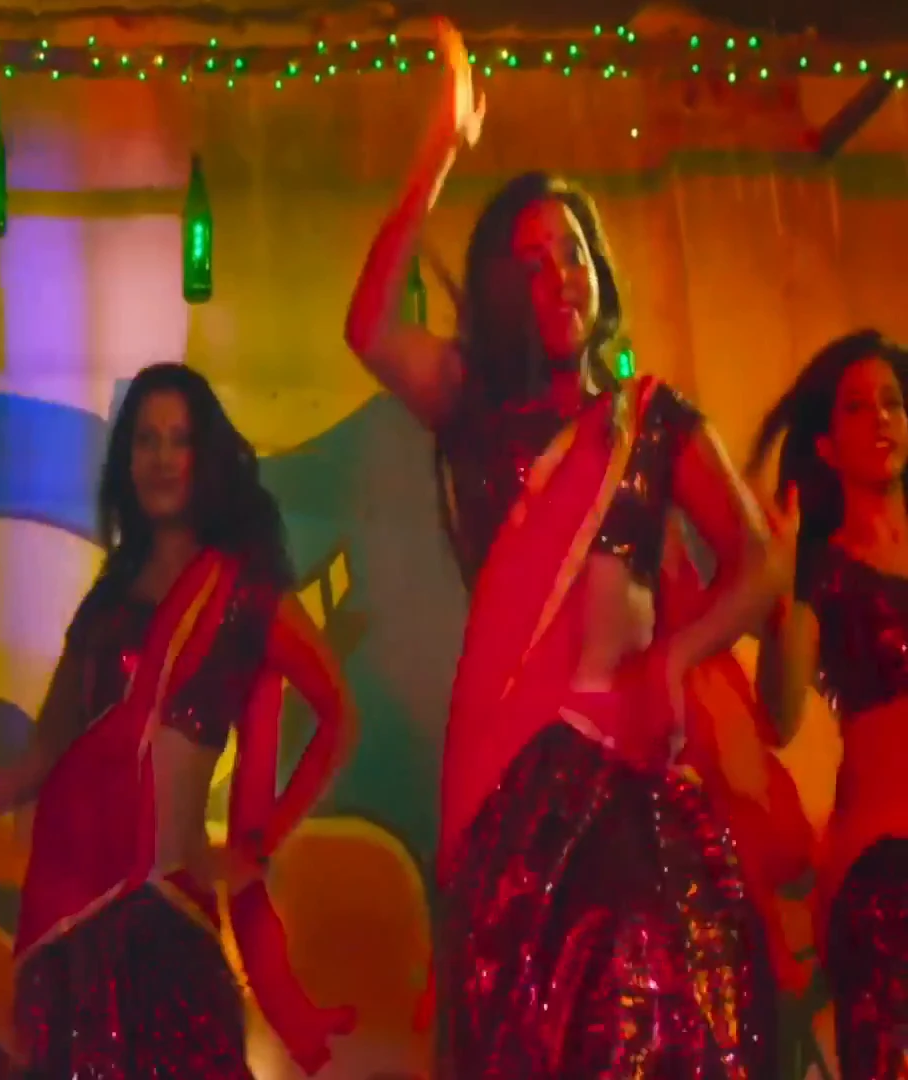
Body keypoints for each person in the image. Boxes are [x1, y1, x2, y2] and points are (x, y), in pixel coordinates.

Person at [341, 21, 783, 1077]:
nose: (561, 278)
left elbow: (762, 561)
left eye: (573, 253)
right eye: (532, 264)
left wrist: (676, 658)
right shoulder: (475, 409)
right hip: (511, 788)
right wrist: (439, 150)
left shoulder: (652, 420)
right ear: (505, 292)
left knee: (668, 1003)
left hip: (625, 767)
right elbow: (369, 326)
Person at [0, 362, 358, 1077]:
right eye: (146, 440)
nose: (161, 458)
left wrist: (259, 846)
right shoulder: (107, 598)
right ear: (125, 460)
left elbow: (338, 718)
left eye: (179, 440)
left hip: (164, 912)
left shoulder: (244, 594)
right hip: (68, 920)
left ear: (206, 457)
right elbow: (39, 761)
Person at [752, 329, 908, 1080]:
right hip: (887, 875)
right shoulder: (826, 573)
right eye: (857, 407)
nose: (881, 417)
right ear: (825, 446)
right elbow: (780, 715)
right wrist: (779, 591)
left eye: (893, 402)